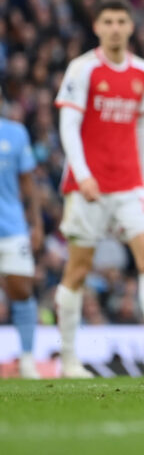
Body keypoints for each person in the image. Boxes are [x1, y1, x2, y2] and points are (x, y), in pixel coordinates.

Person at [54, 0, 144, 378]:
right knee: (78, 270)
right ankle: (67, 360)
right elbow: (68, 126)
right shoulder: (82, 69)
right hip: (88, 185)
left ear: (131, 27)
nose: (115, 27)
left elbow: (141, 130)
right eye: (108, 21)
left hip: (130, 183)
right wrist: (82, 175)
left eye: (121, 21)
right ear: (97, 27)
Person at [0, 92, 43, 378]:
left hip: (12, 226)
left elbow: (28, 182)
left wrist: (36, 223)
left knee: (21, 290)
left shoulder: (15, 133)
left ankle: (27, 359)